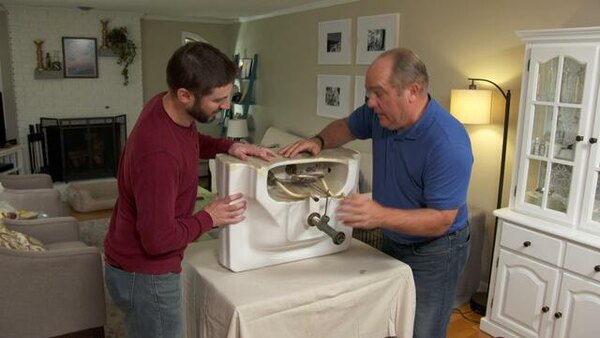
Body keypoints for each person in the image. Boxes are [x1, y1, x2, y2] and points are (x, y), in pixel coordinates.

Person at [279, 48, 473, 338]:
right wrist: (319, 140)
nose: (370, 102)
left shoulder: (448, 143)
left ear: (413, 91)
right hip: (395, 236)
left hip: (436, 249)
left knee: (421, 329)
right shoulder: (379, 115)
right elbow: (346, 126)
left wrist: (380, 215)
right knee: (387, 319)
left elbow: (442, 219)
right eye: (368, 93)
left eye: (378, 93)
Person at [103, 42, 276, 338]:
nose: (225, 106)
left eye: (228, 96)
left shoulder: (166, 106)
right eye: (218, 99)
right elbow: (157, 240)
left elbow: (189, 139)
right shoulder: (158, 155)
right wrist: (209, 217)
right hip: (146, 275)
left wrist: (229, 145)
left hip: (129, 261)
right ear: (185, 95)